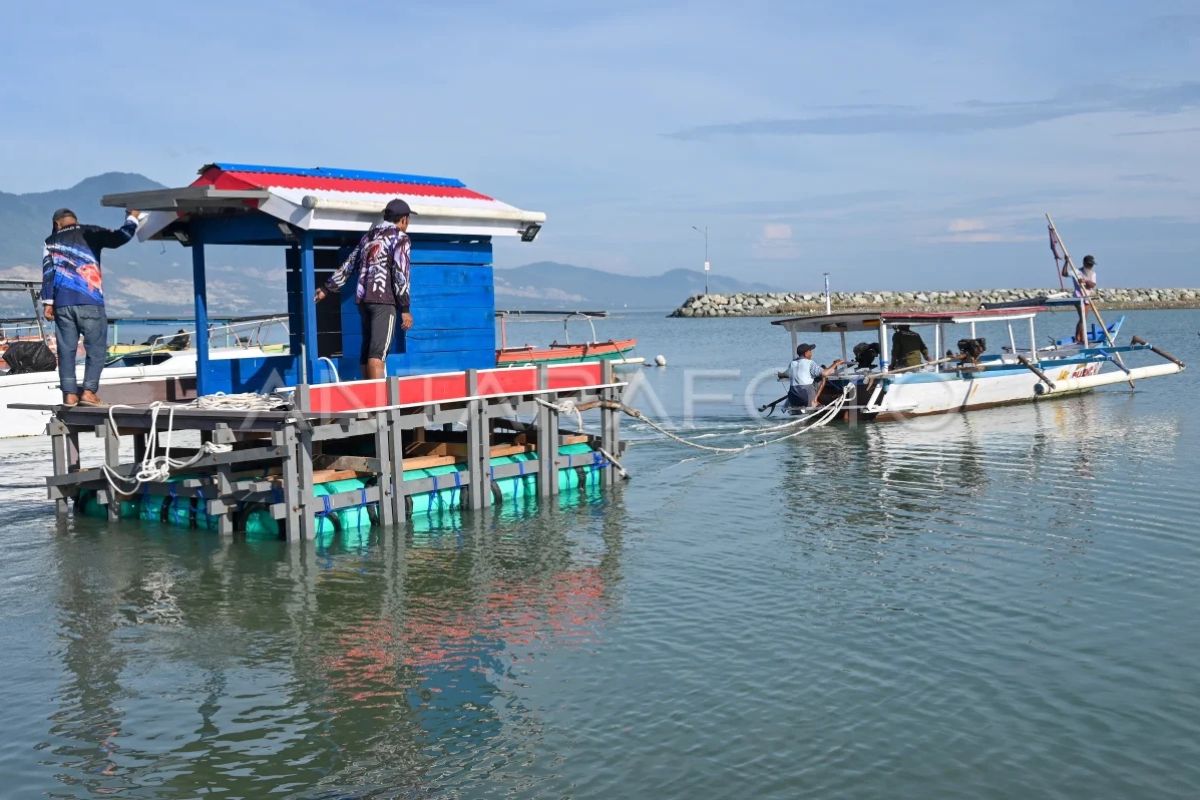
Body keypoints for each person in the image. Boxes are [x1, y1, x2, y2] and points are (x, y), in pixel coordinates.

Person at [41, 207, 141, 406]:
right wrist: (133, 218)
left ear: (56, 224)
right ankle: (88, 392)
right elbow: (121, 237)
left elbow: (48, 272)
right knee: (96, 349)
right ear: (75, 220)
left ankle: (69, 394)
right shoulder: (91, 232)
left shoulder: (50, 242)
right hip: (90, 300)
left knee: (66, 350)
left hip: (63, 303)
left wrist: (48, 302)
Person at [315, 198, 415, 379]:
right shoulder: (401, 238)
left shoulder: (367, 237)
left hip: (363, 301)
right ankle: (377, 403)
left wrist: (326, 288)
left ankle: (368, 396)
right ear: (403, 219)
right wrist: (405, 308)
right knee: (378, 353)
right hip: (384, 301)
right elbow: (401, 273)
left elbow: (349, 265)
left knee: (367, 350)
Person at [780, 343, 843, 409]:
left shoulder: (792, 363)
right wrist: (835, 364)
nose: (811, 353)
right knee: (823, 377)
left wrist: (780, 374)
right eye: (810, 351)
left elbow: (785, 374)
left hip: (793, 398)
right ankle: (814, 401)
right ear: (806, 353)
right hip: (805, 397)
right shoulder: (810, 363)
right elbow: (825, 373)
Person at [1064, 254, 1097, 344]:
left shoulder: (1092, 273)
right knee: (1083, 318)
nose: (1090, 266)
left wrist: (1085, 281)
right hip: (1078, 297)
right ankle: (1079, 338)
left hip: (1087, 297)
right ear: (1084, 263)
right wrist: (1066, 262)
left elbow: (1092, 285)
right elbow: (1064, 274)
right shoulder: (1076, 272)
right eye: (1089, 264)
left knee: (1084, 318)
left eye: (1091, 265)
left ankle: (1080, 336)